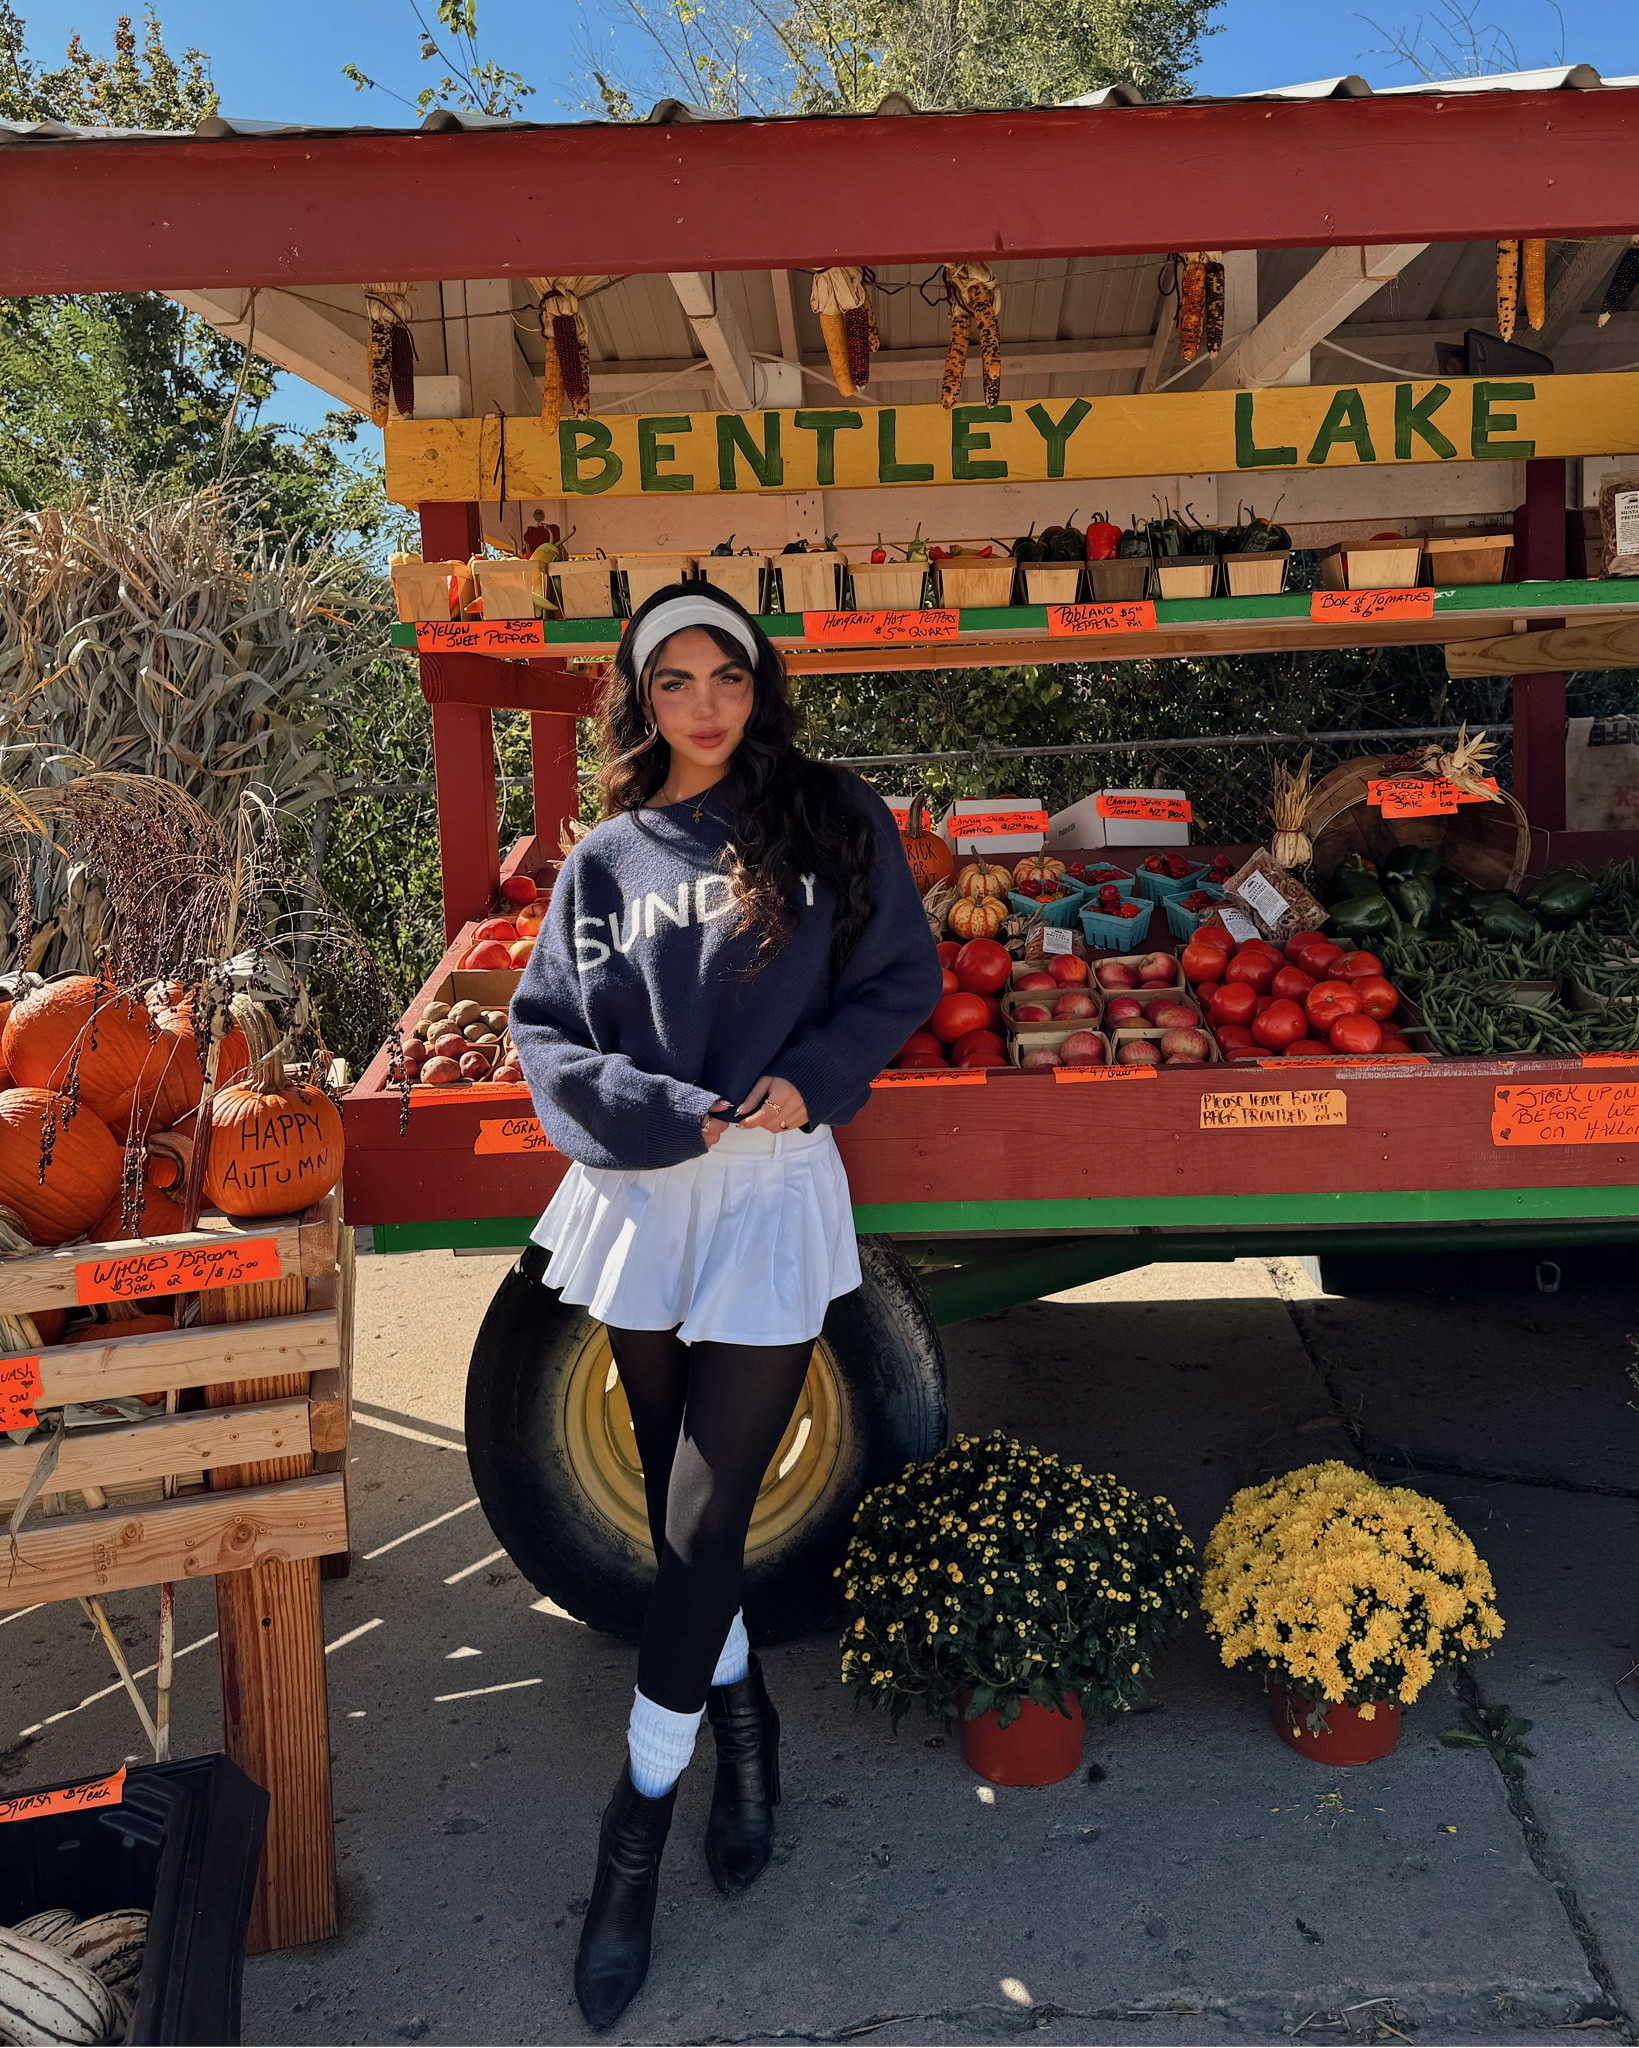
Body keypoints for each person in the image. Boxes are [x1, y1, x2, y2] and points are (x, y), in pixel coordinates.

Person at [508, 583, 942, 2030]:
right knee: (672, 1496)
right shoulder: (607, 859)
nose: (707, 703)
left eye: (730, 677)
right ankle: (743, 1727)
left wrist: (811, 1080)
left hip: (766, 1189)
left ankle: (629, 1836)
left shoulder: (830, 816)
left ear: (760, 684)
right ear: (640, 699)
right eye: (677, 681)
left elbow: (900, 980)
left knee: (704, 1518)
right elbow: (547, 1035)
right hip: (645, 1194)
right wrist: (646, 1106)